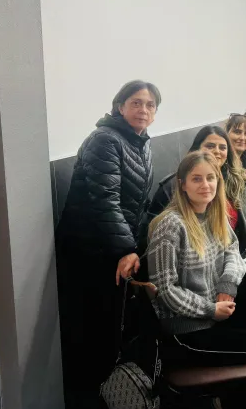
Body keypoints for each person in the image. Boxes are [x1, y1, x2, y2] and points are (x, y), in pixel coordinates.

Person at [147, 151, 246, 408]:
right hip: (186, 333)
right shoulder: (169, 225)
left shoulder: (215, 215)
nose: (205, 185)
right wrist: (210, 309)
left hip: (216, 318)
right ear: (182, 184)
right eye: (196, 179)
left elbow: (233, 252)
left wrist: (227, 284)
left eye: (211, 178)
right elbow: (165, 290)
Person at [55, 80, 161, 408]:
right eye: (136, 102)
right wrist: (126, 250)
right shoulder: (105, 140)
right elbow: (105, 199)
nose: (143, 110)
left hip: (112, 250)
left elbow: (137, 205)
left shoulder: (140, 142)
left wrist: (138, 247)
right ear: (119, 106)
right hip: (88, 253)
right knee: (90, 334)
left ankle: (110, 393)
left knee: (110, 331)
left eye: (150, 105)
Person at [148, 125, 246, 253]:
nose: (217, 151)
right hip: (195, 259)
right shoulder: (172, 186)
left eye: (222, 147)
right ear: (197, 150)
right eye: (210, 146)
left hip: (238, 254)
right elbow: (155, 231)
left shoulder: (240, 180)